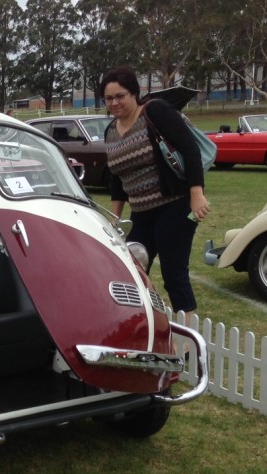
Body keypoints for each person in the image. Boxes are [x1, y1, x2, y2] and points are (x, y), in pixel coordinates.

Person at [101, 66, 209, 314]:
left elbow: (189, 149)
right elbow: (117, 178)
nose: (114, 102)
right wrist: (114, 217)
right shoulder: (110, 131)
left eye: (120, 96)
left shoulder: (155, 112)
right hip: (141, 212)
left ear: (134, 93)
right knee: (133, 271)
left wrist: (197, 194)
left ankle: (188, 338)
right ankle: (139, 323)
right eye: (109, 98)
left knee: (174, 273)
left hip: (177, 206)